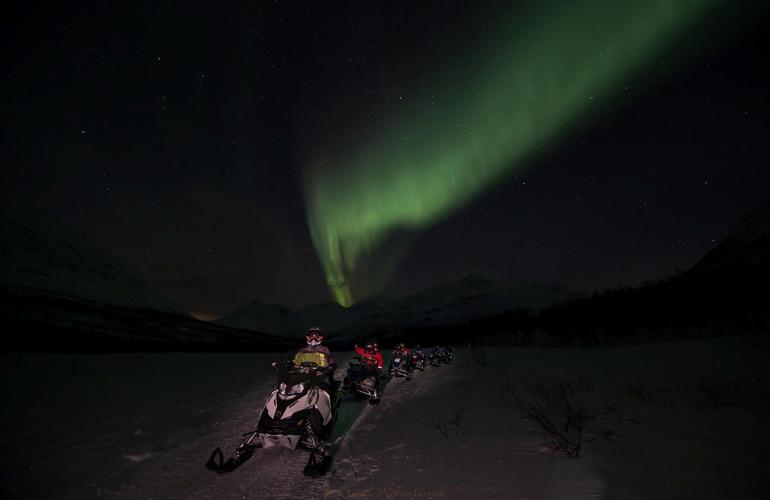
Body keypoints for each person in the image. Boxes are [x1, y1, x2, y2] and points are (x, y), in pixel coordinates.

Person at [290, 326, 336, 392]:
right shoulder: (303, 350)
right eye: (311, 337)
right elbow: (296, 360)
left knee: (325, 387)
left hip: (319, 373)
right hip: (303, 373)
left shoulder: (324, 349)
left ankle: (331, 393)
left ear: (320, 338)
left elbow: (329, 360)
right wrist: (291, 364)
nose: (313, 339)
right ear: (308, 337)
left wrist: (331, 365)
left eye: (316, 337)